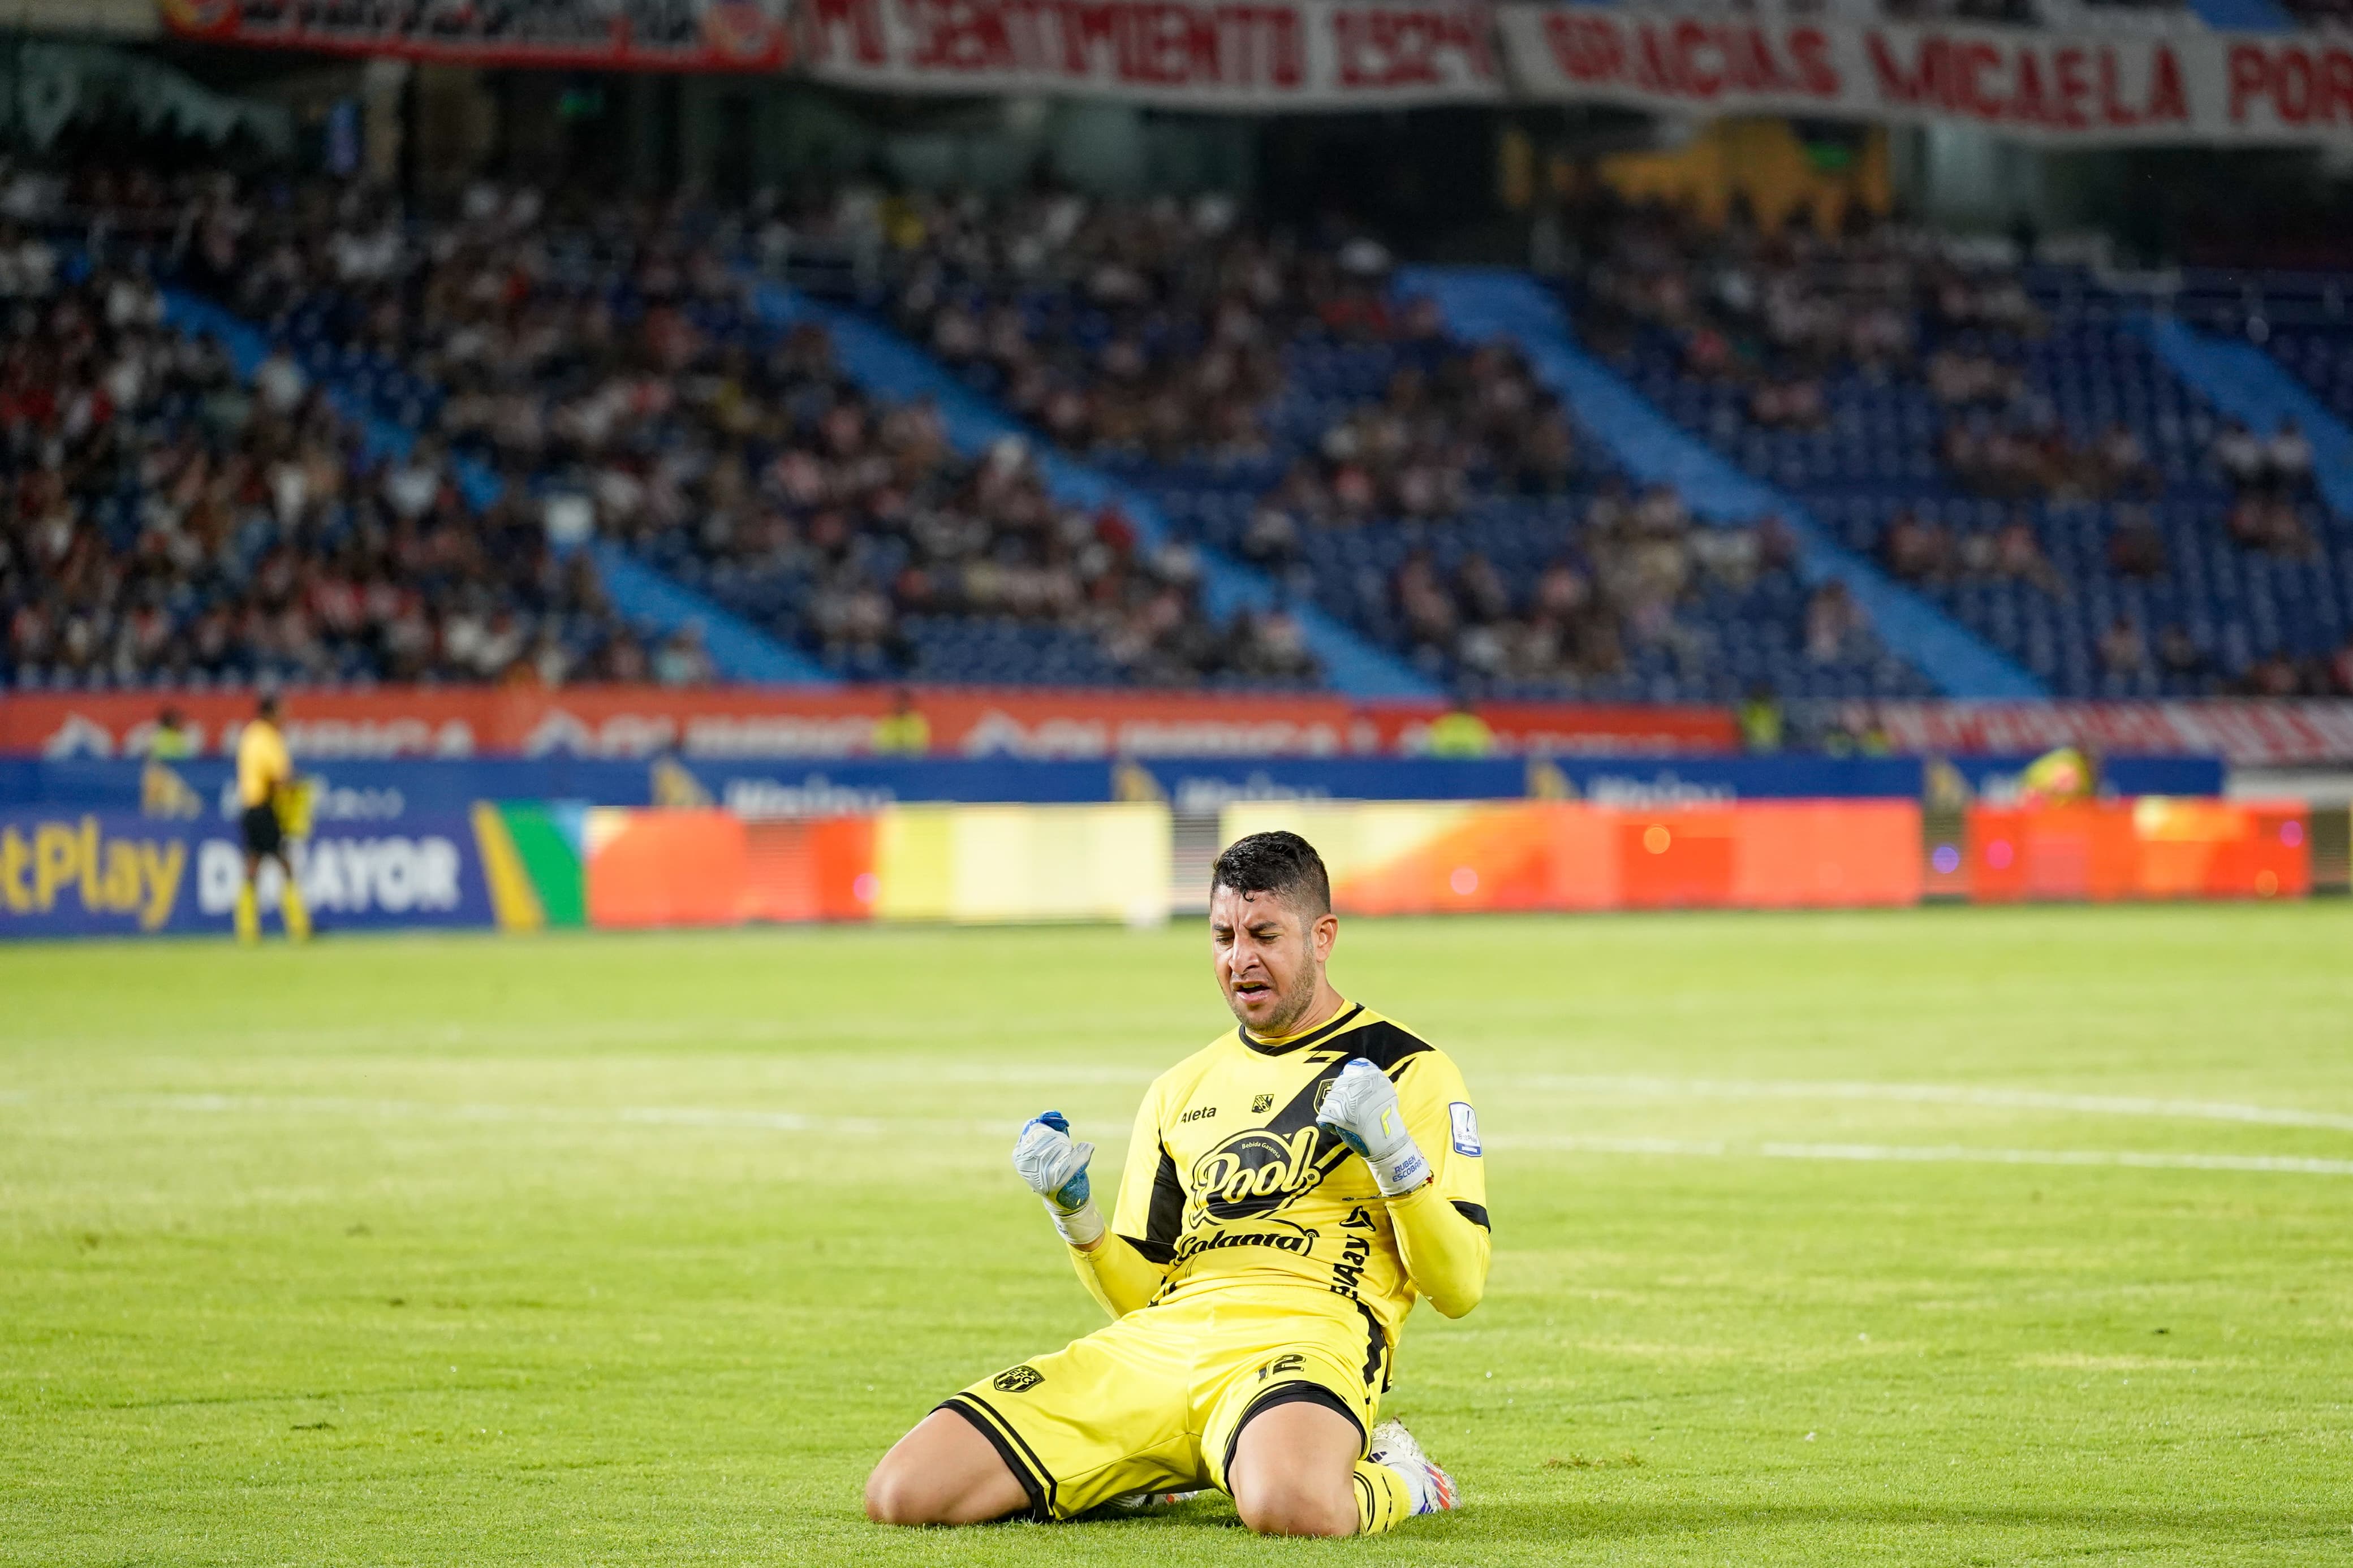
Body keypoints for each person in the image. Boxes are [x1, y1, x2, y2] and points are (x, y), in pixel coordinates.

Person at [865, 832, 1488, 1536]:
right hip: (1159, 1348)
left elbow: (1459, 1287)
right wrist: (1077, 1216)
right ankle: (1149, 1474)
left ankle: (1407, 1479)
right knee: (904, 1493)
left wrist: (1393, 1155)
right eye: (1221, 935)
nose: (1238, 959)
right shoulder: (1177, 1089)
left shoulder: (1408, 1071)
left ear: (1322, 937)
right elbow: (1142, 1294)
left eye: (1263, 934)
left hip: (1305, 1342)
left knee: (1294, 1506)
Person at [234, 693, 310, 944]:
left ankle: (247, 926)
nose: (285, 718)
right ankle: (298, 925)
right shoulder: (267, 737)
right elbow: (279, 776)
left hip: (250, 806)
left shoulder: (250, 735)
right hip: (264, 808)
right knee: (284, 863)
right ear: (270, 713)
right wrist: (297, 783)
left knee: (253, 864)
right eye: (282, 712)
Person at [1423, 697, 1495, 759]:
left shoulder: (1443, 722)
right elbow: (1488, 748)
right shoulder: (1477, 724)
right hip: (1471, 765)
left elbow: (1430, 745)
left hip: (1444, 765)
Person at [870, 688, 931, 756]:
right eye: (898, 702)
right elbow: (880, 745)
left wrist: (903, 746)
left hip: (912, 762)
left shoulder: (918, 721)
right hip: (889, 761)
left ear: (910, 703)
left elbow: (920, 746)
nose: (901, 705)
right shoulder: (886, 721)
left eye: (904, 702)